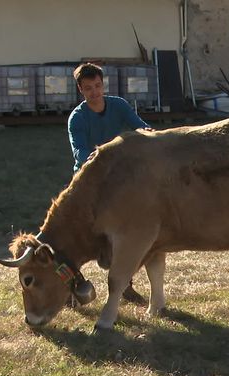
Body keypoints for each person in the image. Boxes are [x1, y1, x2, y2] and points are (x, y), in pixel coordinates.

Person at [67, 62, 151, 304]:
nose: (94, 92)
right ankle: (72, 287)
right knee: (77, 237)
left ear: (103, 85)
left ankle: (125, 285)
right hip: (87, 182)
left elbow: (139, 125)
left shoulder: (119, 105)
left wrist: (149, 133)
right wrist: (102, 159)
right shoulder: (77, 118)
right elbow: (81, 153)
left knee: (125, 233)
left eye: (97, 86)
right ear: (80, 90)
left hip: (116, 180)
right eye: (88, 88)